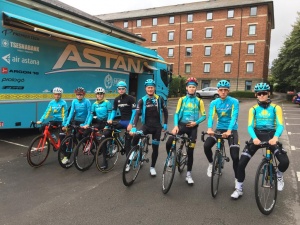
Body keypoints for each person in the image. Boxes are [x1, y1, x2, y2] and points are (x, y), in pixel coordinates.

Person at [231, 83, 290, 199]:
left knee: (284, 162)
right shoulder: (253, 109)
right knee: (241, 163)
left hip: (272, 134)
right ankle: (239, 188)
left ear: (268, 94)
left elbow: (280, 125)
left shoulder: (275, 108)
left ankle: (279, 175)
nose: (262, 95)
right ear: (256, 95)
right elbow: (249, 126)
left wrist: (276, 137)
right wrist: (255, 138)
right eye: (259, 93)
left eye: (264, 93)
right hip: (257, 134)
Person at [166, 77, 206, 184]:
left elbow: (204, 116)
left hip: (192, 128)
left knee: (190, 151)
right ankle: (170, 158)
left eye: (193, 87)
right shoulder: (182, 99)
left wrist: (196, 122)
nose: (192, 89)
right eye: (190, 87)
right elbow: (177, 113)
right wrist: (175, 126)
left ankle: (188, 174)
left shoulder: (199, 101)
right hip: (182, 125)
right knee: (169, 140)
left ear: (196, 88)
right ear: (186, 88)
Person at [204, 80, 240, 185]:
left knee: (235, 156)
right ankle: (211, 163)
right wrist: (210, 128)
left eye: (225, 90)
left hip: (231, 130)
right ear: (218, 91)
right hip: (219, 129)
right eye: (221, 90)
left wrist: (229, 131)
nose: (223, 92)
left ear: (228, 91)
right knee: (206, 145)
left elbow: (234, 116)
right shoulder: (214, 103)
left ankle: (237, 179)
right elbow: (211, 116)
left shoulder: (234, 101)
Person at [130, 79, 168, 176]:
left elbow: (165, 111)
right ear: (145, 89)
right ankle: (133, 152)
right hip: (146, 125)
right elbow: (137, 113)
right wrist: (134, 126)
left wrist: (165, 123)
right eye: (148, 87)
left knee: (155, 148)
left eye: (151, 87)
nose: (150, 89)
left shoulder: (159, 98)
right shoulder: (142, 100)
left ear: (154, 88)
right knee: (136, 136)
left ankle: (152, 167)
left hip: (157, 127)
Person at [61, 87, 91, 164]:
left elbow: (89, 113)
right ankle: (67, 157)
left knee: (80, 135)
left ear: (83, 94)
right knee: (71, 137)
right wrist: (67, 123)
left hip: (85, 121)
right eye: (77, 94)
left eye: (80, 94)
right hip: (76, 121)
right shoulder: (74, 101)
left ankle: (86, 143)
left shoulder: (87, 101)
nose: (79, 96)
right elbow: (71, 113)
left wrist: (85, 123)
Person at [106, 81, 136, 155]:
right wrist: (110, 119)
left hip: (129, 121)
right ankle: (115, 144)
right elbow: (114, 111)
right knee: (110, 129)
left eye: (123, 88)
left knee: (128, 144)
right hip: (122, 121)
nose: (121, 90)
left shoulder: (130, 98)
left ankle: (128, 162)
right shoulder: (116, 99)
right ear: (117, 90)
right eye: (119, 89)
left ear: (125, 89)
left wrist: (131, 123)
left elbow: (134, 112)